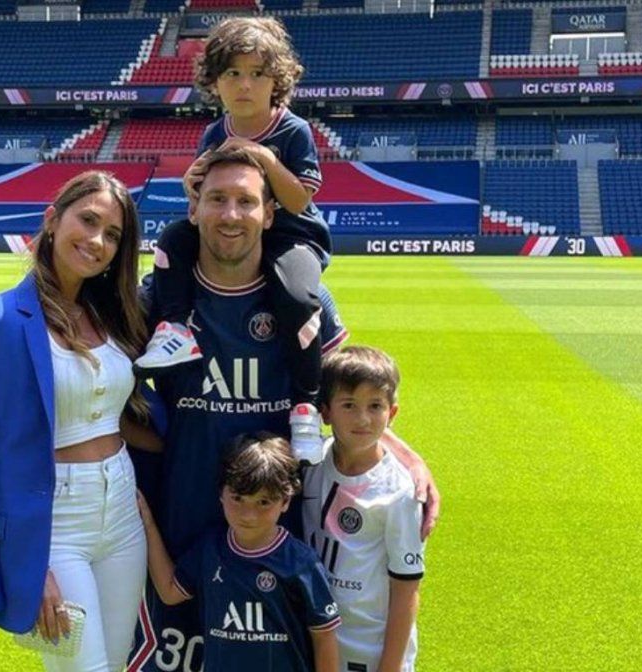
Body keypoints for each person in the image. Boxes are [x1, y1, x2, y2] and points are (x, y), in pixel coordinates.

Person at [128, 148, 438, 672]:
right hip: (183, 520)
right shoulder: (160, 295)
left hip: (282, 527)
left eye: (246, 201)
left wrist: (398, 448)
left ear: (269, 213)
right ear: (194, 207)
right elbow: (100, 382)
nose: (231, 214)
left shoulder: (305, 295)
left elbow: (348, 393)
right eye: (217, 199)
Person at [0, 171, 158, 672]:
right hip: (55, 525)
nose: (98, 241)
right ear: (53, 219)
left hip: (122, 514)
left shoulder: (115, 316)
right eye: (88, 221)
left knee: (119, 662)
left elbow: (124, 418)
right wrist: (23, 563)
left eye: (114, 235)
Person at [134, 16, 333, 464]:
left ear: (277, 80)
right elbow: (204, 187)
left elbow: (299, 201)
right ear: (216, 82)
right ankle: (174, 328)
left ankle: (304, 405)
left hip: (291, 235)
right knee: (171, 240)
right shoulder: (215, 132)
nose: (245, 85)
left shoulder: (292, 130)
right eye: (232, 74)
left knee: (298, 296)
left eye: (257, 74)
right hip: (238, 227)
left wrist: (264, 159)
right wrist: (192, 183)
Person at [137, 433, 341, 672]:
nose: (248, 515)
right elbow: (170, 591)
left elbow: (324, 636)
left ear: (286, 501)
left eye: (264, 502)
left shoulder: (301, 563)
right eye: (238, 498)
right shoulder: (211, 549)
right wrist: (148, 525)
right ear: (220, 493)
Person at [303, 346, 425, 672]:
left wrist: (390, 667)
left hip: (368, 650)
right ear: (325, 412)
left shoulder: (400, 492)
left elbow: (406, 589)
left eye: (375, 406)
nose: (363, 419)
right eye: (349, 405)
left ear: (392, 413)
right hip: (313, 640)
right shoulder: (310, 465)